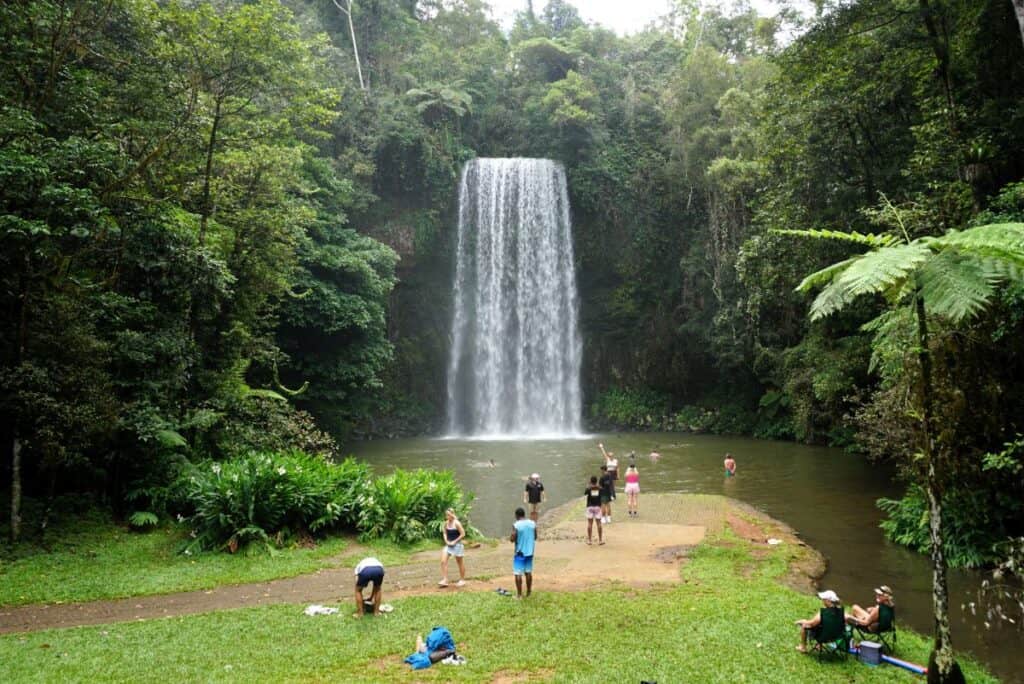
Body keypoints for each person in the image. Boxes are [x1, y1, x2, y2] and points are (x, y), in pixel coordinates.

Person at [510, 507, 537, 598]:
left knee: (518, 573)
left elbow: (512, 538)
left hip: (520, 552)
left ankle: (519, 595)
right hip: (530, 552)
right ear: (524, 514)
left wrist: (512, 536)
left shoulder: (516, 525)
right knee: (528, 572)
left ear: (517, 515)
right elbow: (535, 536)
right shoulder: (532, 523)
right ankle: (529, 592)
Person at [438, 508, 466, 588]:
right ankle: (445, 580)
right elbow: (444, 533)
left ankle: (462, 580)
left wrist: (454, 542)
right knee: (443, 561)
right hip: (448, 545)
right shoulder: (446, 523)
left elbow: (463, 534)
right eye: (446, 515)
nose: (447, 516)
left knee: (459, 563)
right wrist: (446, 540)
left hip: (457, 545)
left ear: (452, 514)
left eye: (449, 514)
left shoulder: (457, 523)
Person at [585, 476, 604, 545]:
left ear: (591, 481)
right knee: (599, 523)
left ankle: (590, 540)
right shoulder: (599, 488)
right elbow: (602, 491)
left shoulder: (589, 488)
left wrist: (588, 485)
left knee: (590, 524)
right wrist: (598, 485)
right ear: (596, 481)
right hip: (597, 507)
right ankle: (600, 540)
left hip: (590, 506)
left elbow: (585, 493)